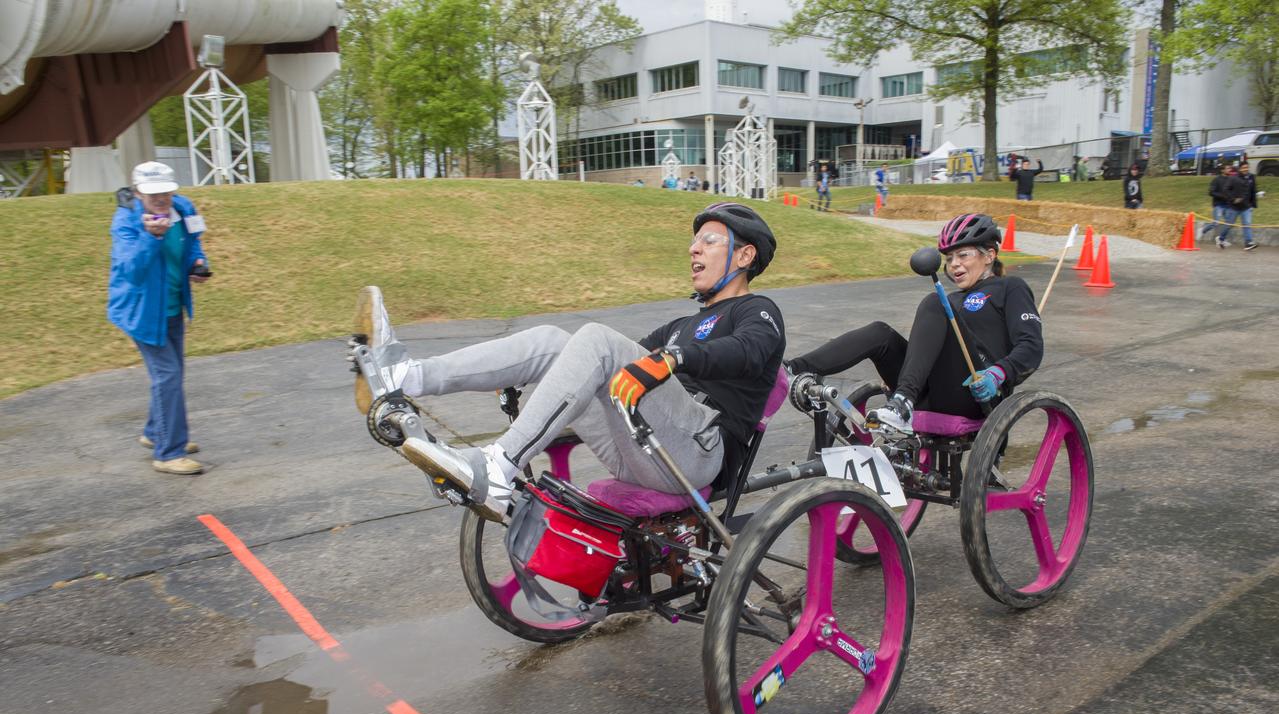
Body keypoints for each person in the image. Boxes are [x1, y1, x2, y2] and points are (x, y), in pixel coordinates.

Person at [350, 203, 785, 520]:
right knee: (558, 342)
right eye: (693, 241)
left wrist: (675, 358)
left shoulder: (757, 312)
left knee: (597, 339)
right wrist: (534, 371)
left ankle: (497, 468)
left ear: (745, 257)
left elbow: (748, 350)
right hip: (643, 447)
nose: (694, 250)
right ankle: (404, 377)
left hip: (699, 454)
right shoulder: (681, 323)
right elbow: (603, 363)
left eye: (709, 241)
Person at [786, 213, 1043, 437]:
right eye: (949, 257)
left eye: (963, 255)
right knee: (880, 334)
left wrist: (997, 374)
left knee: (935, 301)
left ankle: (902, 402)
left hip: (975, 393)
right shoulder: (952, 299)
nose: (954, 264)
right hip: (930, 390)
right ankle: (791, 370)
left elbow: (1031, 346)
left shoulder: (1010, 287)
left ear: (990, 255)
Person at [108, 161, 211, 475]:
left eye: (165, 192)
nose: (161, 199)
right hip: (141, 311)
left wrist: (198, 262)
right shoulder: (126, 221)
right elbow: (132, 271)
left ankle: (156, 433)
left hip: (172, 305)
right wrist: (150, 238)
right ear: (138, 192)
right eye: (153, 194)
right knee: (167, 377)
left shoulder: (183, 207)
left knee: (172, 374)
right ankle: (169, 453)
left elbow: (194, 239)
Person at [1235, 161, 1260, 250]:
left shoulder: (1251, 177)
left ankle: (1248, 243)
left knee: (1247, 223)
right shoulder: (1235, 177)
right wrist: (1233, 199)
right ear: (1240, 168)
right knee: (1228, 224)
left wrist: (1253, 204)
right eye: (1244, 167)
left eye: (1247, 167)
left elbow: (1253, 190)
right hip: (1235, 206)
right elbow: (1229, 189)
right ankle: (1221, 238)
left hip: (1247, 205)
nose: (1246, 169)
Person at [1206, 165, 1231, 244]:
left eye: (1230, 168)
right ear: (1222, 170)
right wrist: (1222, 196)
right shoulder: (1216, 180)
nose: (1230, 170)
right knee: (1215, 223)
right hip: (1218, 205)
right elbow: (1211, 192)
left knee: (1228, 223)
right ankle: (1202, 231)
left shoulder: (1231, 180)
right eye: (1228, 168)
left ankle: (1222, 239)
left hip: (1228, 205)